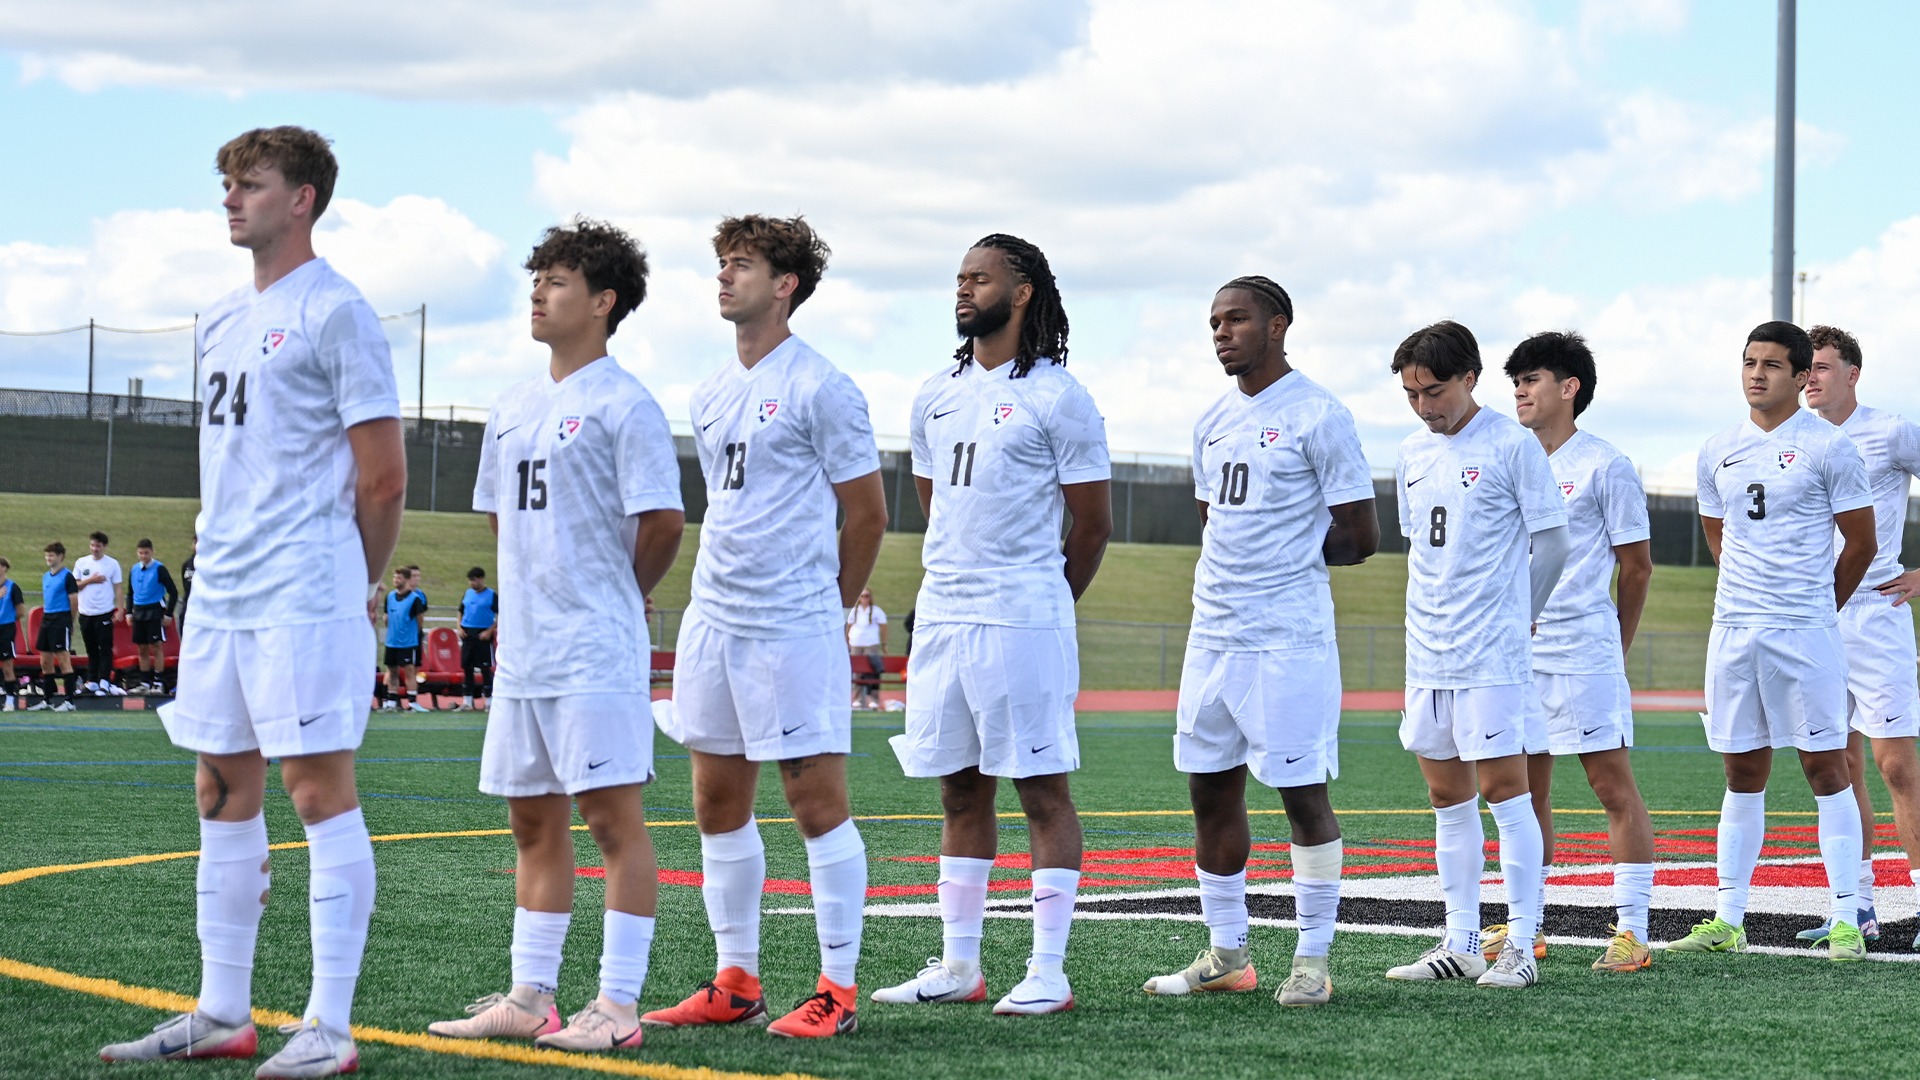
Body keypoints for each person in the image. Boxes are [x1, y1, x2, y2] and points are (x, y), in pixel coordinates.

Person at [98, 125, 407, 1076]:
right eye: (226, 184)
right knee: (219, 791)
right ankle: (223, 1012)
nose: (232, 199)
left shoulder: (339, 311)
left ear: (303, 197)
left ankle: (328, 1026)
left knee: (317, 793)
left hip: (305, 590)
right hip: (222, 591)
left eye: (251, 184)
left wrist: (352, 585)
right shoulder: (220, 316)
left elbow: (384, 478)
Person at [430, 219, 684, 1052]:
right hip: (526, 655)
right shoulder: (512, 406)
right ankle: (531, 997)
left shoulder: (626, 403)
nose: (539, 292)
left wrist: (611, 600)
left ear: (604, 302)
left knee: (613, 823)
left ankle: (616, 1008)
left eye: (559, 280)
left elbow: (661, 523)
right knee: (531, 824)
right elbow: (504, 523)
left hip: (593, 652)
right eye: (535, 278)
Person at [645, 214, 887, 1040]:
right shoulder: (710, 389)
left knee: (813, 801)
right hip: (715, 617)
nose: (723, 277)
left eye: (741, 265)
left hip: (792, 621)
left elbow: (867, 514)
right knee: (715, 800)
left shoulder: (824, 385)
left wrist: (827, 603)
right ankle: (736, 980)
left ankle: (838, 990)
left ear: (785, 284)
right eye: (721, 264)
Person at [872, 233, 1112, 1015]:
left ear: (1024, 293)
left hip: (1022, 616)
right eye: (959, 278)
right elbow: (933, 501)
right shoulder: (934, 393)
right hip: (945, 613)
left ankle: (1049, 970)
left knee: (1042, 789)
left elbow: (1092, 525)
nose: (964, 290)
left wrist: (1041, 599)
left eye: (981, 278)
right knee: (959, 790)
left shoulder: (1059, 395)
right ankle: (959, 966)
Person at [1141, 277, 1376, 1008]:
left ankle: (1312, 960)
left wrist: (1290, 563)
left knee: (1303, 794)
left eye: (1236, 318)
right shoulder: (1211, 419)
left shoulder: (1319, 413)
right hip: (1213, 633)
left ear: (1278, 325)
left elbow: (1361, 534)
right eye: (1213, 320)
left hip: (1287, 637)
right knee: (1210, 791)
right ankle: (1227, 952)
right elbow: (1216, 523)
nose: (1222, 331)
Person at [1664, 320, 1877, 962]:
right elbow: (1715, 527)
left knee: (1825, 766)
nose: (1757, 374)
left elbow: (1861, 543)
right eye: (1749, 363)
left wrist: (1815, 608)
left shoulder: (1829, 447)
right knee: (1741, 768)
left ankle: (1846, 920)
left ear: (1802, 375)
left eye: (1774, 365)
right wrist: (1746, 595)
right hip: (1732, 631)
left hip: (1804, 631)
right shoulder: (1716, 449)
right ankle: (1729, 917)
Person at [1383, 320, 1568, 989]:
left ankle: (1520, 943)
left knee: (1504, 792)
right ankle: (1459, 941)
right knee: (1445, 796)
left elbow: (1552, 541)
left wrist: (1522, 617)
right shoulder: (1411, 453)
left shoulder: (1512, 446)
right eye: (1411, 394)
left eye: (1434, 390)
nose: (1425, 405)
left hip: (1489, 652)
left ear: (1469, 378)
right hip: (1426, 652)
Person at [1503, 331, 1658, 972]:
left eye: (1531, 378)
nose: (1518, 390)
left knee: (1610, 784)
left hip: (1585, 650)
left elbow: (1639, 566)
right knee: (1525, 791)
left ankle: (1632, 931)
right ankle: (1526, 929)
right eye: (1514, 380)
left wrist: (1613, 645)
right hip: (1517, 653)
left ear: (1569, 389)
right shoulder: (1507, 457)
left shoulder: (1605, 464)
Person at [1797, 324, 1920, 948]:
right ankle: (1859, 906)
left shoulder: (1891, 431)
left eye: (1821, 366)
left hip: (1876, 611)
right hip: (1817, 618)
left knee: (1896, 765)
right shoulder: (1794, 440)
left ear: (1852, 373)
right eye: (1806, 367)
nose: (1810, 376)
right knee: (1837, 765)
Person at [72, 530, 126, 696]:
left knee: (105, 647)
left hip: (104, 612)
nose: (95, 549)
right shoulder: (81, 562)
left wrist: (121, 609)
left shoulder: (112, 564)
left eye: (98, 546)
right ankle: (92, 681)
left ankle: (105, 681)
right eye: (92, 545)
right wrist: (90, 580)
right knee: (91, 648)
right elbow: (75, 585)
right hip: (85, 612)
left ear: (104, 547)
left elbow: (118, 588)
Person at [129, 539, 182, 695]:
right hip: (139, 612)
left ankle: (158, 682)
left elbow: (173, 592)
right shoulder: (134, 569)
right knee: (142, 647)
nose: (143, 556)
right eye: (141, 553)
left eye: (146, 553)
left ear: (152, 552)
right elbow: (131, 593)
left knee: (156, 646)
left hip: (154, 611)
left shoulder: (159, 569)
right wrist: (129, 612)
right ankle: (144, 682)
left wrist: (168, 613)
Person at [32, 542, 80, 713]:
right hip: (47, 619)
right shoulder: (46, 576)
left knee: (64, 660)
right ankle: (47, 700)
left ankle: (69, 702)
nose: (49, 559)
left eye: (51, 555)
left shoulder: (67, 576)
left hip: (61, 619)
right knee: (44, 661)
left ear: (60, 556)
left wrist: (70, 622)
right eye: (47, 555)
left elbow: (74, 601)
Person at [381, 567, 430, 713]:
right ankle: (391, 702)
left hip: (408, 642)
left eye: (399, 578)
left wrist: (412, 634)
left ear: (407, 580)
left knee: (409, 671)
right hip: (392, 642)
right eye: (395, 577)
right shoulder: (389, 596)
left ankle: (413, 702)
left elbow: (419, 620)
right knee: (392, 671)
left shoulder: (414, 599)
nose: (396, 580)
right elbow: (386, 617)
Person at [454, 567, 498, 712]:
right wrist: (459, 627)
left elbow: (501, 614)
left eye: (474, 580)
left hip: (482, 633)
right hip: (467, 633)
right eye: (470, 580)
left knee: (485, 668)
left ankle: (489, 702)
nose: (472, 583)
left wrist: (489, 630)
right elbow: (460, 611)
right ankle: (467, 702)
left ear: (481, 579)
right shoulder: (467, 593)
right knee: (467, 667)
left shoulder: (491, 595)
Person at [846, 589, 887, 709]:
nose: (864, 599)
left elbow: (884, 626)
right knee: (857, 673)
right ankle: (858, 699)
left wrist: (884, 643)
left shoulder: (876, 611)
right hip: (856, 643)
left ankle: (873, 699)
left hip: (871, 643)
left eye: (867, 596)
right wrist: (847, 640)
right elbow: (848, 626)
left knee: (872, 671)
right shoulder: (854, 611)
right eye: (862, 596)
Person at [0, 557, 23, 712]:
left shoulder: (13, 587)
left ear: (5, 568)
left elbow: (21, 611)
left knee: (7, 665)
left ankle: (10, 700)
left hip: (6, 629)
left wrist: (6, 618)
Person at [177, 534, 197, 630]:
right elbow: (185, 584)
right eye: (195, 542)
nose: (196, 545)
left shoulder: (210, 564)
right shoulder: (187, 564)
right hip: (188, 604)